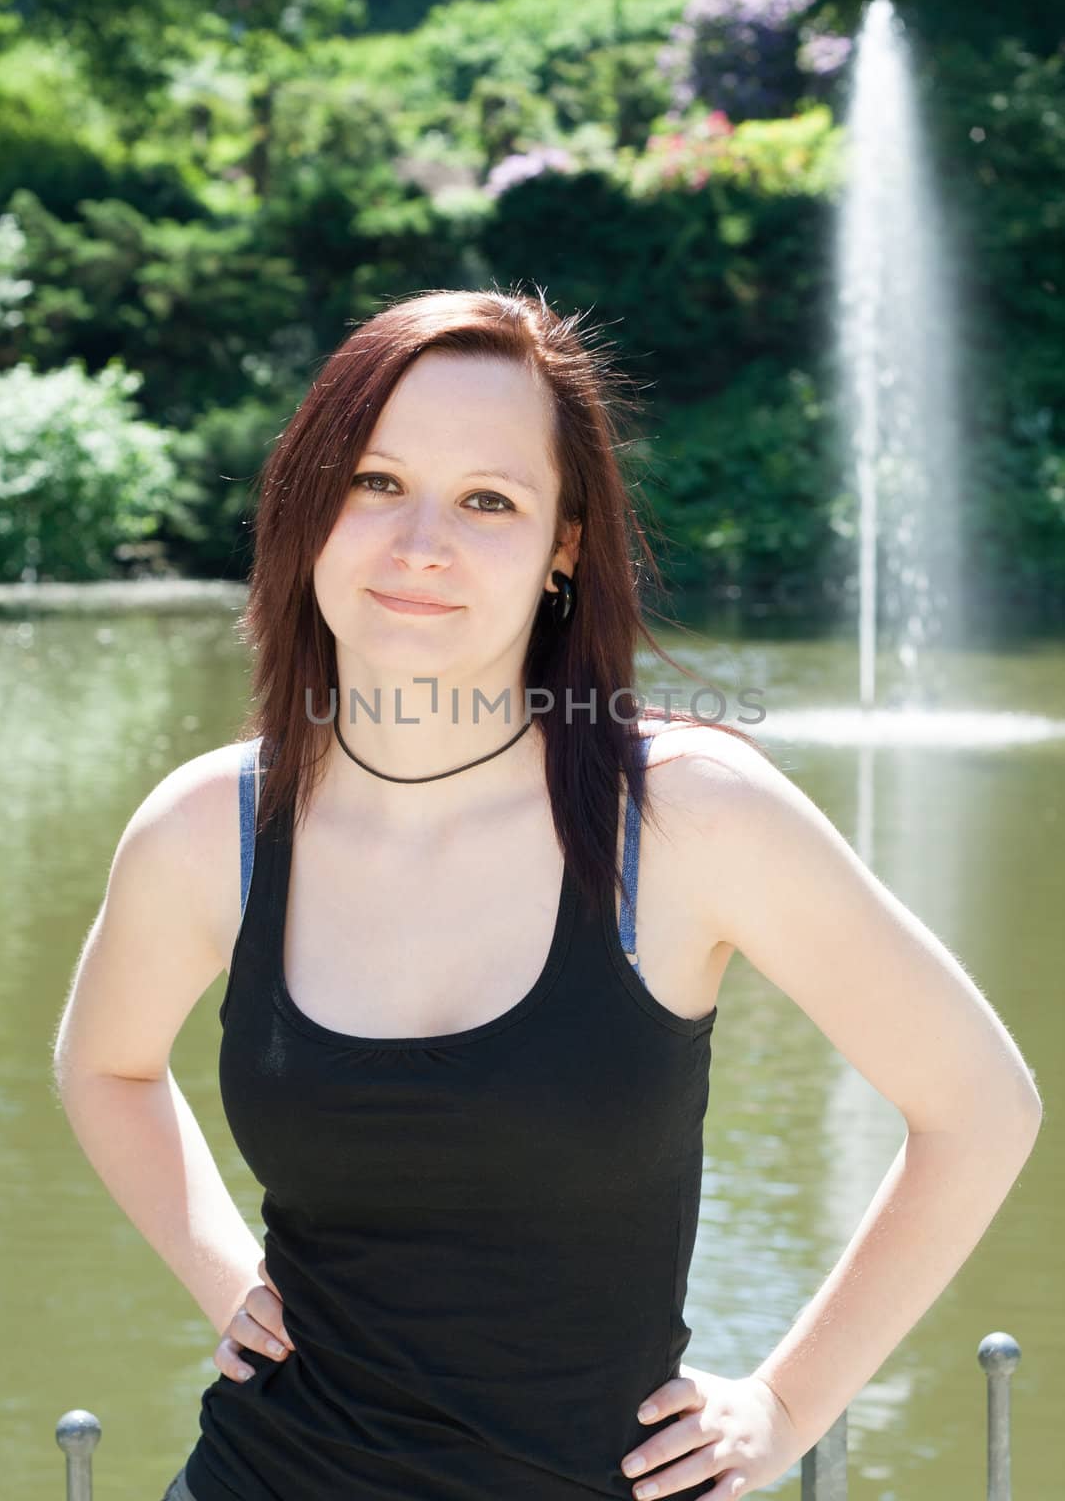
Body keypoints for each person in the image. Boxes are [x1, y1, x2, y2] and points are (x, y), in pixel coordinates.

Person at [53, 287, 1041, 1501]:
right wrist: (225, 1275)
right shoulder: (213, 828)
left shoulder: (683, 817)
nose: (421, 542)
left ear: (562, 543)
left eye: (487, 500)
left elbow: (980, 1108)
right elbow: (102, 1066)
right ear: (307, 501)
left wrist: (785, 1403)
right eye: (373, 481)